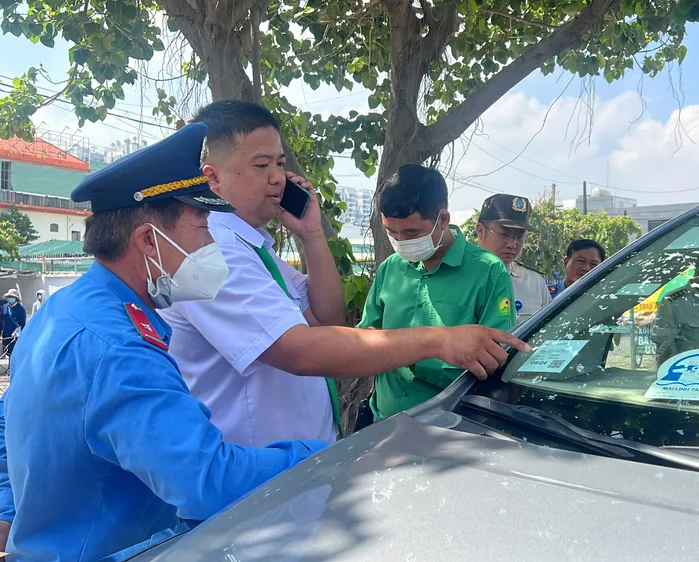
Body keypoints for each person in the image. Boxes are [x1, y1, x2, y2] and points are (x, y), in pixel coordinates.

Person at [0, 123, 327, 562]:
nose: (213, 246)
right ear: (150, 240)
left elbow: (4, 424)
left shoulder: (63, 310)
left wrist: (6, 510)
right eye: (203, 227)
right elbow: (206, 481)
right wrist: (323, 455)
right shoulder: (120, 348)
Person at [159, 100, 529, 446]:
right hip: (257, 469)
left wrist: (312, 236)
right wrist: (439, 341)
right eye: (262, 165)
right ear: (213, 178)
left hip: (431, 431)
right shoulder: (210, 252)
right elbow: (300, 351)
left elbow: (326, 318)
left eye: (279, 162)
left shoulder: (253, 249)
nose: (278, 178)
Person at [358, 164, 518, 422]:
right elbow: (366, 336)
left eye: (412, 233)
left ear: (443, 219)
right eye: (391, 232)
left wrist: (410, 353)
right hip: (382, 423)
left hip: (450, 431)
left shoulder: (488, 271)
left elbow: (494, 361)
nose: (400, 241)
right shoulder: (391, 268)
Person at [475, 194, 551, 324]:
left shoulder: (534, 283)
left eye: (519, 237)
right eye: (505, 234)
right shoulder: (458, 277)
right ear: (481, 231)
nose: (512, 244)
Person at [0, 289, 26, 356]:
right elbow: (1, 319)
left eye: (12, 297)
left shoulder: (20, 309)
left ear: (16, 298)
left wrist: (18, 332)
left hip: (15, 334)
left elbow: (22, 323)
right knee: (6, 350)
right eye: (9, 297)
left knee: (13, 351)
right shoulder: (4, 307)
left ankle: (11, 366)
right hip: (5, 333)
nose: (10, 298)